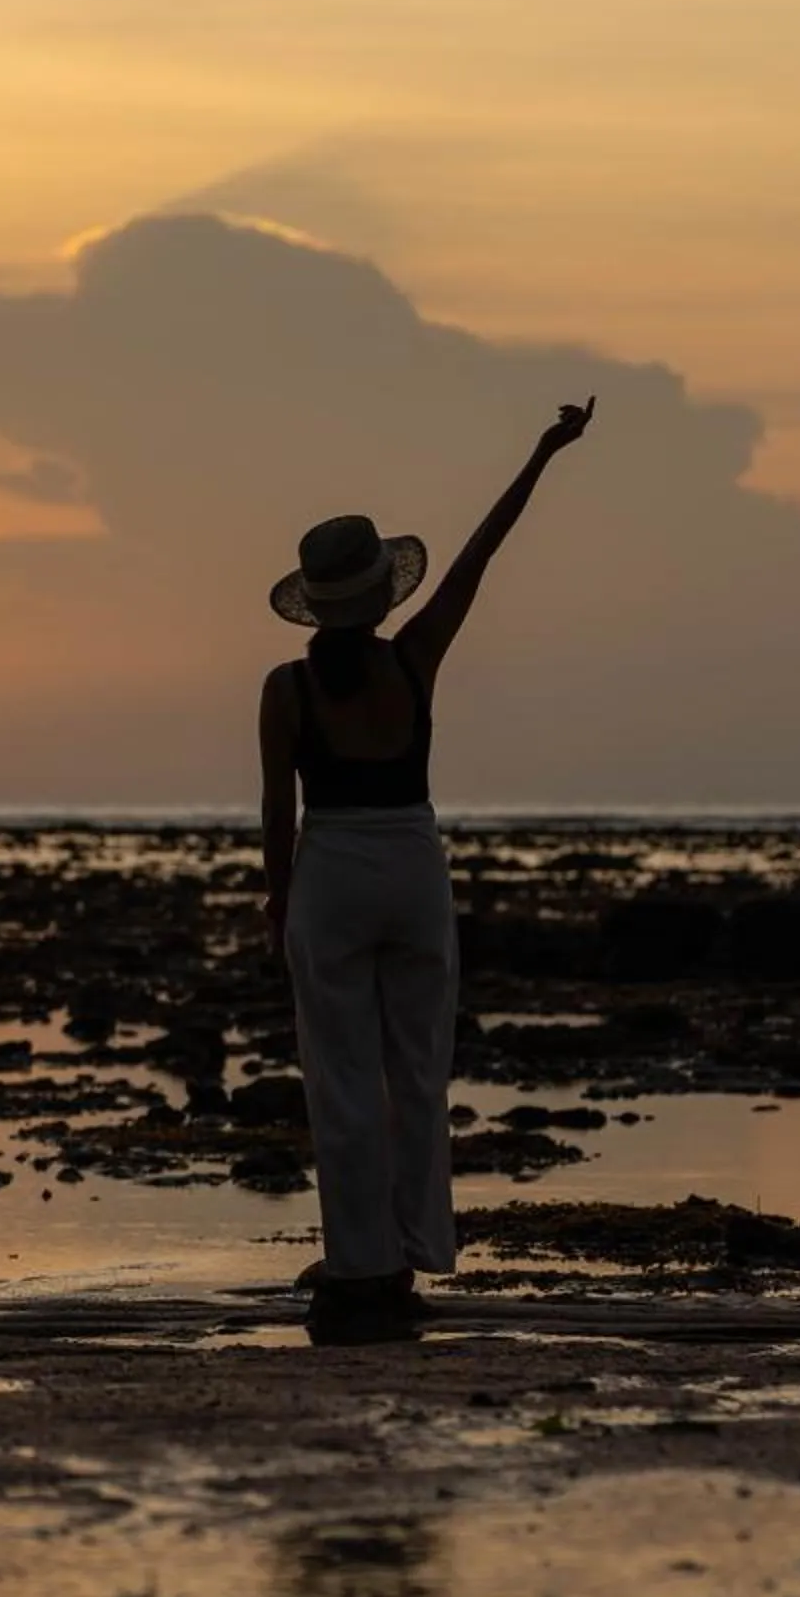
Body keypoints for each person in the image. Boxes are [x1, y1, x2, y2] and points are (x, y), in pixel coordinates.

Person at [258, 397, 594, 1332]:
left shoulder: (286, 689)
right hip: (411, 862)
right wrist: (543, 452)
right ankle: (408, 1256)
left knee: (341, 1075)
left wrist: (276, 901)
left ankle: (361, 1263)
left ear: (315, 603)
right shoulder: (415, 659)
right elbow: (480, 557)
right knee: (416, 1071)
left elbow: (274, 811)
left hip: (330, 870)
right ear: (381, 596)